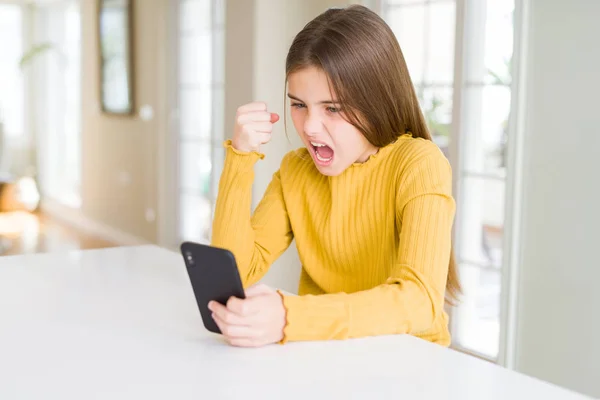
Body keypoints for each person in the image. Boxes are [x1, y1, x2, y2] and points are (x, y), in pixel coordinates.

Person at [207, 4, 460, 348]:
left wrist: (288, 317)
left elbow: (419, 301)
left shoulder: (419, 164)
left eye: (333, 108)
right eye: (298, 105)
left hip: (410, 359)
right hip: (325, 356)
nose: (310, 127)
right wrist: (240, 158)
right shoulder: (295, 171)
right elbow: (236, 271)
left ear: (377, 101)